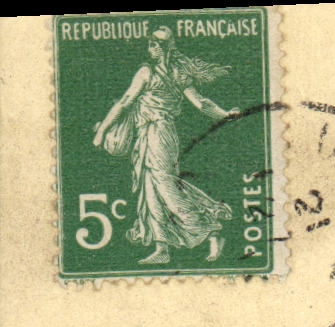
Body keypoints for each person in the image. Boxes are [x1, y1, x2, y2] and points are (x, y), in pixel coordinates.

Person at [91, 25, 238, 265]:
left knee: (166, 188)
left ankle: (210, 228)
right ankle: (162, 247)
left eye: (153, 44)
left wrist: (102, 132)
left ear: (161, 48)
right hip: (151, 134)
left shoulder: (147, 73)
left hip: (157, 134)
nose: (150, 48)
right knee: (151, 189)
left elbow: (124, 103)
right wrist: (224, 114)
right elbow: (201, 103)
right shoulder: (179, 73)